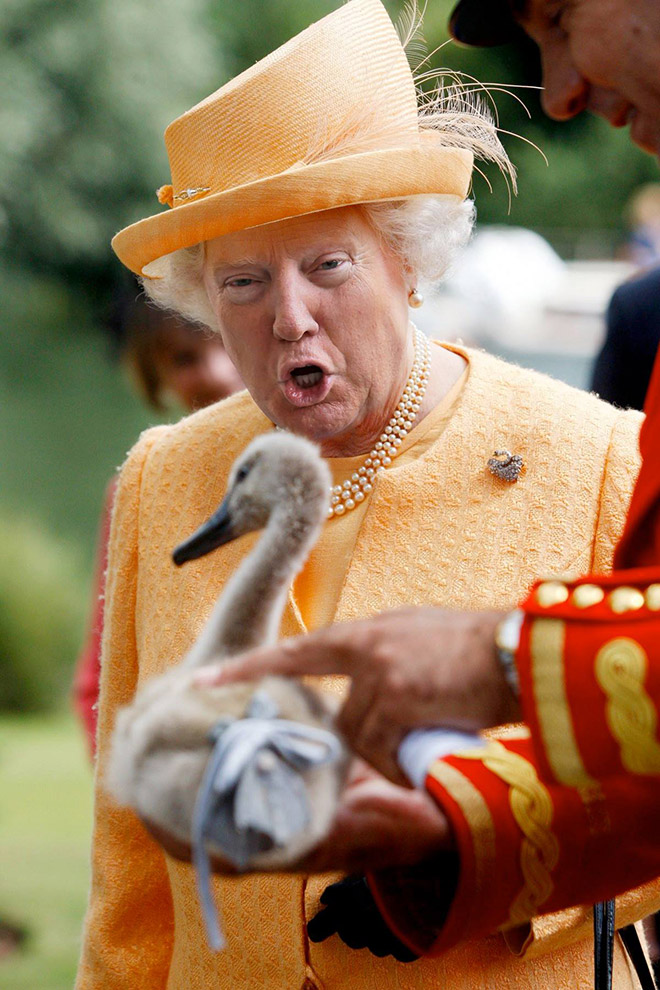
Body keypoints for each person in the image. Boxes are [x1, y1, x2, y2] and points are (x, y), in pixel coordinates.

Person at [76, 1, 652, 986]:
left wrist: (468, 866)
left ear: (409, 262)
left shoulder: (599, 455)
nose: (291, 317)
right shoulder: (164, 476)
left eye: (328, 266)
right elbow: (132, 875)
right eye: (245, 283)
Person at [72, 291, 242, 758]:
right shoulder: (138, 487)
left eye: (226, 343)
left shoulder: (321, 462)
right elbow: (103, 668)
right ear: (155, 373)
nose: (215, 371)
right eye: (185, 358)